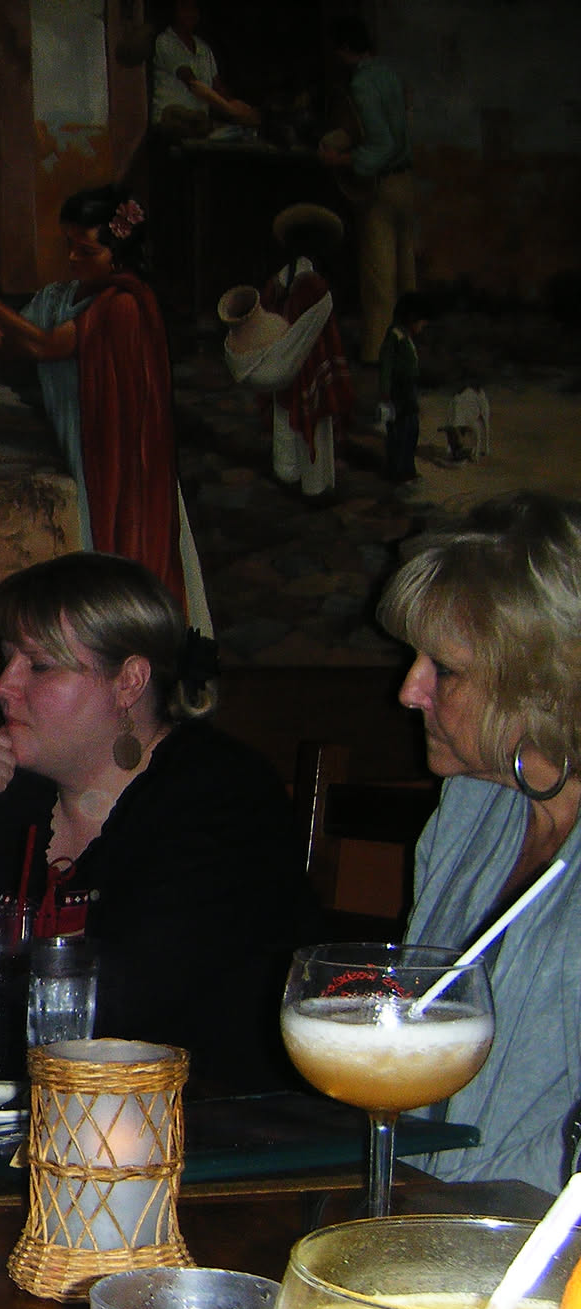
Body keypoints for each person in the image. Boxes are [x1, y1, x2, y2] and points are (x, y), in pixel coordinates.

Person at [0, 552, 314, 1094]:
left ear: (129, 681)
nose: (3, 685)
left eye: (39, 665)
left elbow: (129, 1005)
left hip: (198, 1118)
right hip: (22, 1113)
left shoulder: (222, 795)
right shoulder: (3, 796)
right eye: (7, 657)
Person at [379, 492, 581, 1190]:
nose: (410, 691)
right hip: (421, 1208)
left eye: (445, 669)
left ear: (545, 682)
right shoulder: (472, 804)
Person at [0, 185, 208, 624]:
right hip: (77, 443)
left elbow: (47, 345)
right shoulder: (58, 298)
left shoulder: (124, 304)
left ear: (118, 254)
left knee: (120, 563)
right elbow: (5, 343)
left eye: (86, 250)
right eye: (69, 244)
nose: (72, 257)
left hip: (118, 458)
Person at [320, 18, 413, 366]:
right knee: (406, 275)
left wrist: (340, 159)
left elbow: (381, 145)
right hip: (406, 183)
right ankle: (408, 349)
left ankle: (378, 353)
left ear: (346, 50)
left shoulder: (361, 84)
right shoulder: (388, 76)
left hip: (382, 186)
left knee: (379, 280)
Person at [258, 203, 354, 498]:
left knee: (285, 419)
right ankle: (315, 485)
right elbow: (328, 336)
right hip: (310, 363)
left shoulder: (276, 282)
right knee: (315, 425)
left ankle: (287, 474)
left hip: (282, 365)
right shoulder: (315, 286)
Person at [150, 0, 260, 135]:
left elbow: (218, 88)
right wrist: (230, 109)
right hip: (170, 124)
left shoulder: (204, 48)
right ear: (174, 12)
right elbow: (193, 85)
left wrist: (242, 109)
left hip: (197, 126)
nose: (190, 13)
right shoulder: (165, 41)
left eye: (194, 8)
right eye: (185, 8)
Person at [380, 291, 429, 483]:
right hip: (398, 391)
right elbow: (386, 365)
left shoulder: (406, 338)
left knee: (411, 431)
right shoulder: (395, 336)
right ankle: (397, 471)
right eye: (420, 321)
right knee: (400, 432)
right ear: (411, 318)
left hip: (408, 391)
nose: (423, 326)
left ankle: (408, 468)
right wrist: (385, 391)